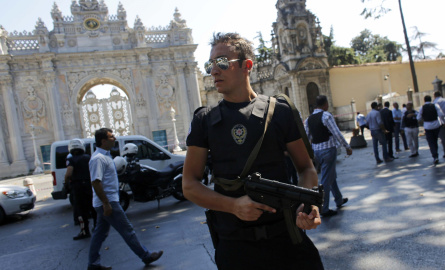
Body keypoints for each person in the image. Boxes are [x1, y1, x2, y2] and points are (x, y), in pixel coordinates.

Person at [183, 32, 324, 270]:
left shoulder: (279, 111)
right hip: (236, 249)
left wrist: (307, 206)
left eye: (222, 63)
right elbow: (189, 185)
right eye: (211, 65)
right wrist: (233, 206)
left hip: (287, 240)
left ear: (247, 66)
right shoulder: (204, 121)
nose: (214, 71)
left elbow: (306, 168)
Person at [88, 128, 163, 270]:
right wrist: (106, 203)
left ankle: (93, 264)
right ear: (103, 141)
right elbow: (95, 182)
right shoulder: (98, 159)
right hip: (108, 201)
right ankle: (145, 256)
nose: (114, 138)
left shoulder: (105, 156)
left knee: (100, 234)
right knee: (127, 229)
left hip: (107, 201)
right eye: (111, 137)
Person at [305, 95, 351, 217]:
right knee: (326, 179)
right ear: (325, 104)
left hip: (316, 151)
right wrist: (347, 146)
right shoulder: (326, 116)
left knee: (331, 175)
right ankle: (324, 208)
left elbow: (307, 137)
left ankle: (339, 199)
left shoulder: (309, 119)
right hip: (328, 150)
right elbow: (336, 133)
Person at [64, 139, 96, 240]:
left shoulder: (71, 159)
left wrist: (66, 183)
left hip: (78, 187)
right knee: (93, 207)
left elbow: (69, 173)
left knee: (80, 210)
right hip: (89, 185)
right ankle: (96, 227)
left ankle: (84, 231)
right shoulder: (88, 157)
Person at [417, 95, 445, 165]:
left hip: (427, 126)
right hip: (436, 125)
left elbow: (418, 118)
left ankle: (434, 155)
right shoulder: (435, 106)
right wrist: (443, 122)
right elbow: (441, 114)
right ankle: (436, 154)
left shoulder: (422, 107)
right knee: (435, 140)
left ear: (424, 100)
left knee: (430, 141)